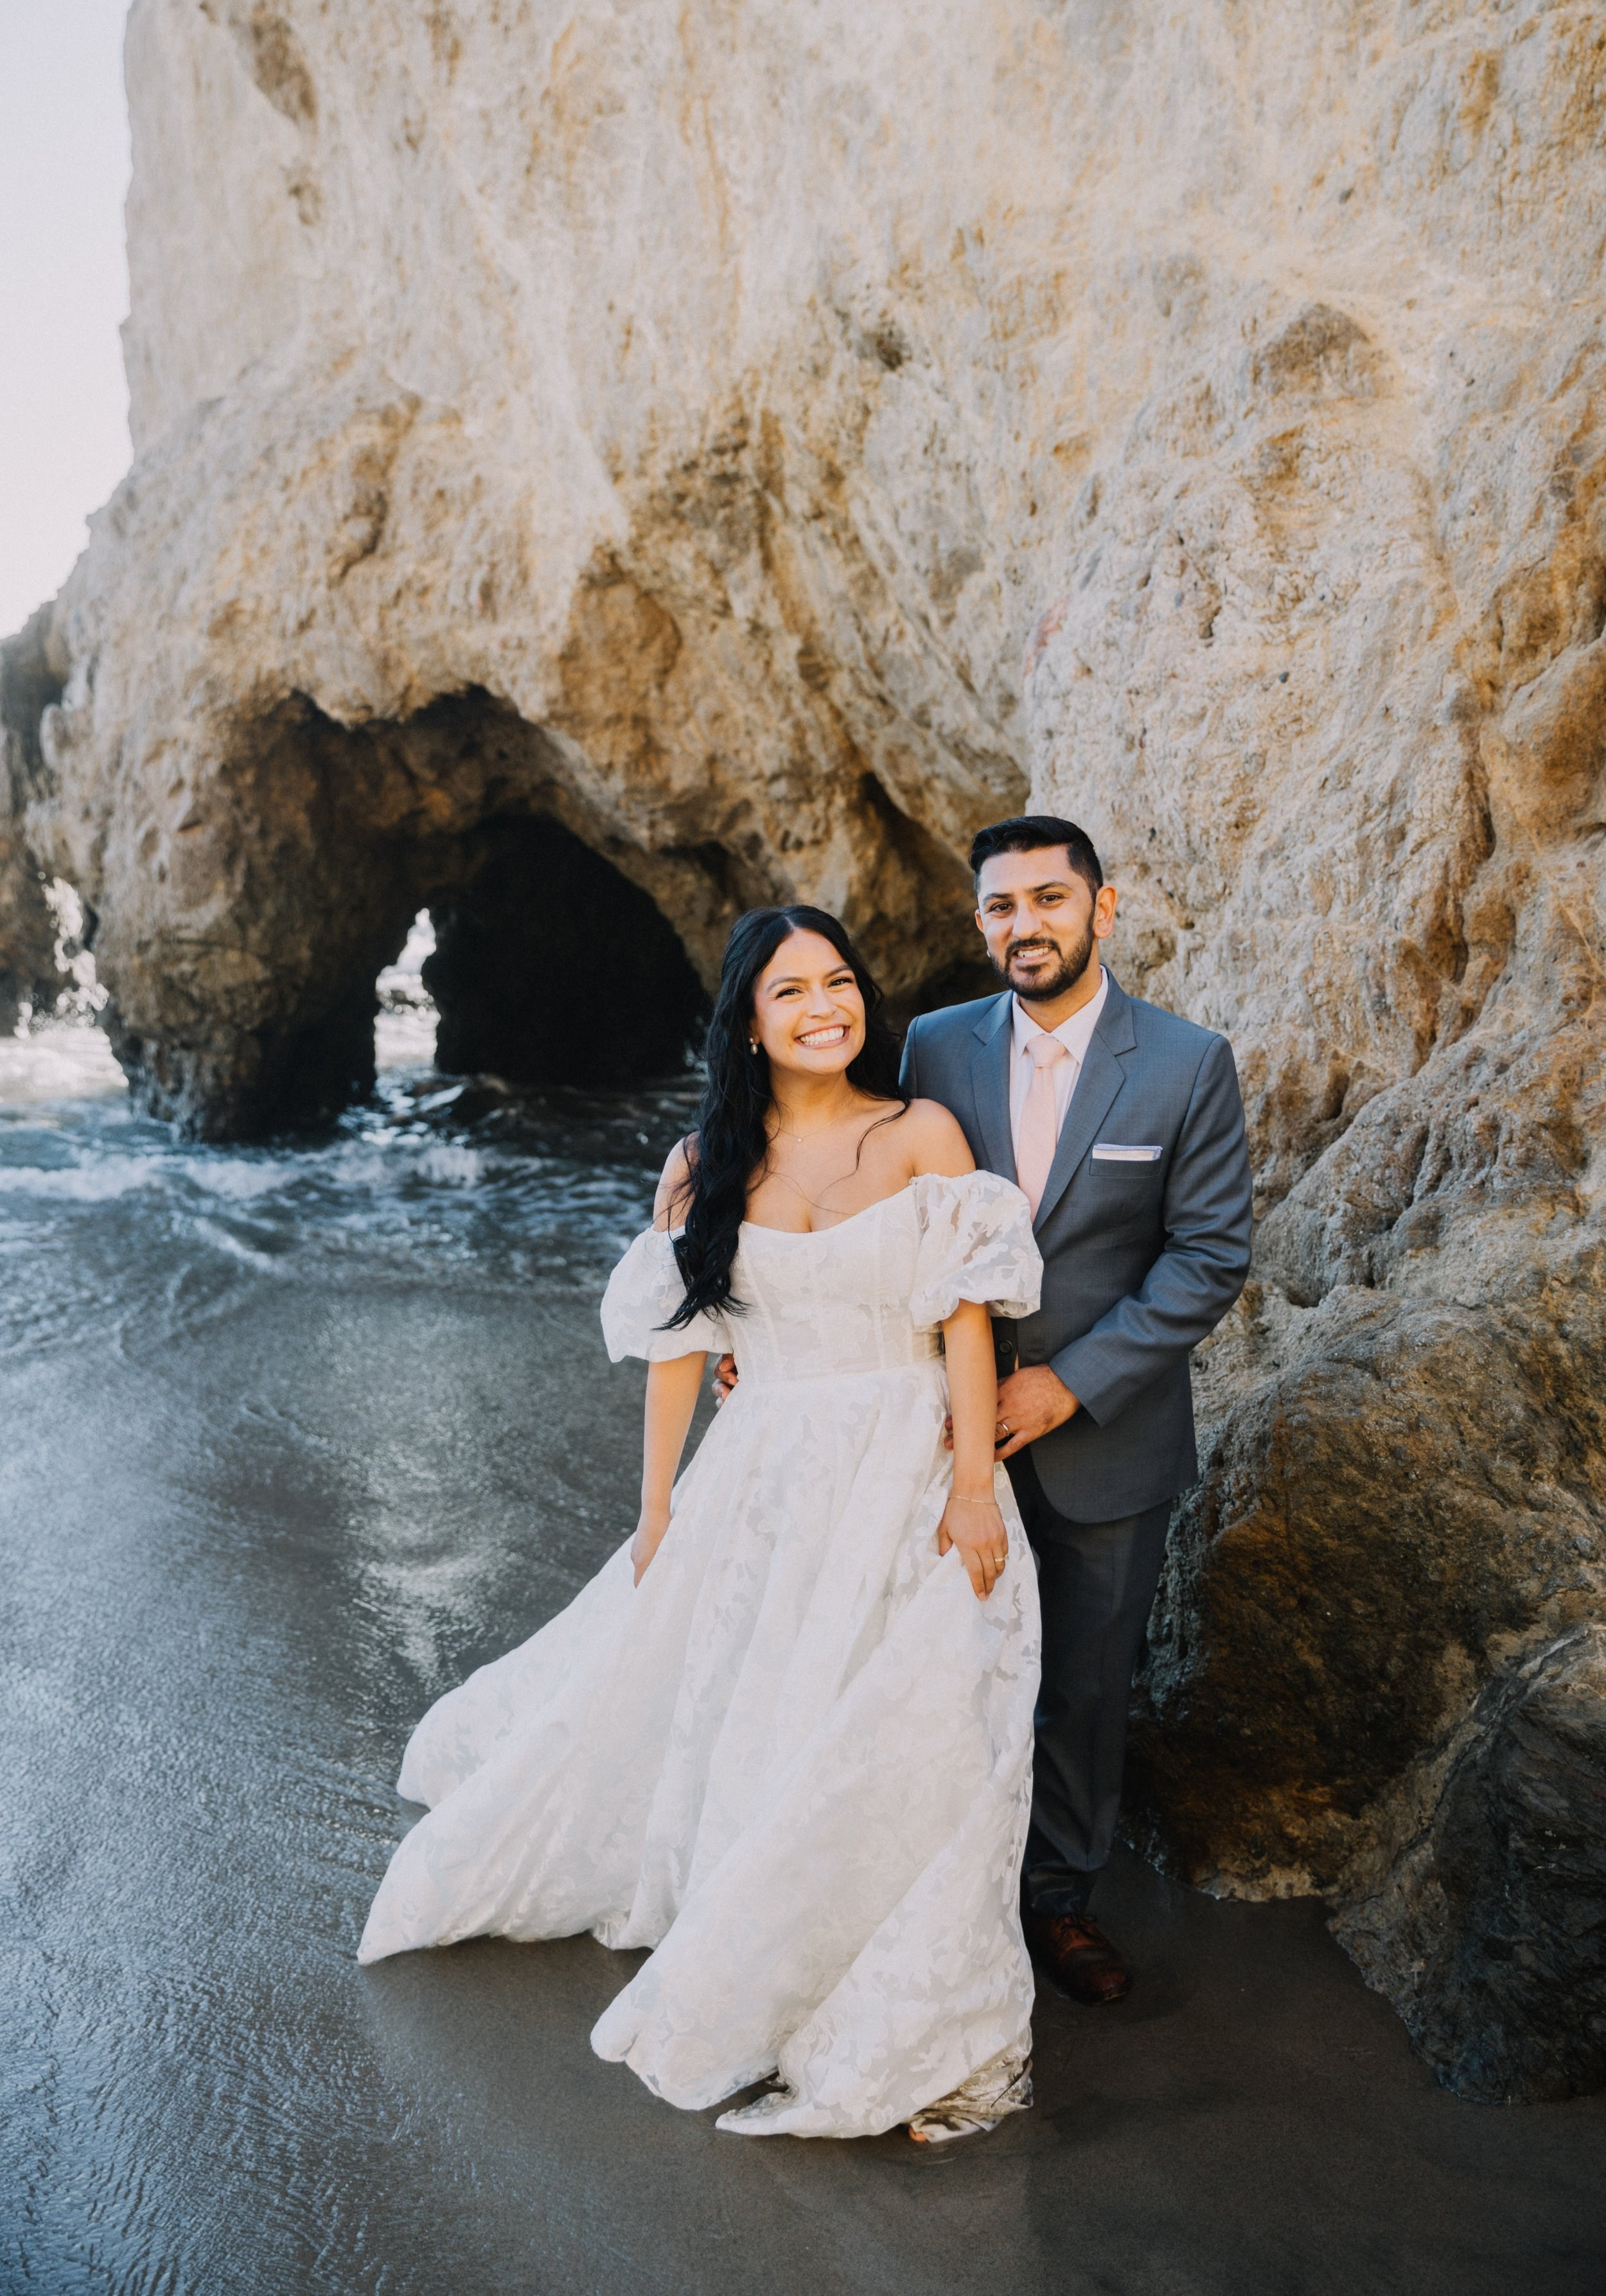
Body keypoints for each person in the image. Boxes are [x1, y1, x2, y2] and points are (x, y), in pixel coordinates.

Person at [358, 905, 1045, 2142]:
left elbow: (963, 1317)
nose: (826, 1006)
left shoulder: (919, 1134)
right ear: (749, 1020)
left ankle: (899, 1994)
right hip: (766, 1469)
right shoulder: (701, 1164)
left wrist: (973, 1484)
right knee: (760, 1697)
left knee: (918, 1717)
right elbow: (681, 1350)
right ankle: (752, 1919)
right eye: (792, 992)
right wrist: (658, 1505)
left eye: (840, 983)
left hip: (905, 1463)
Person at [899, 814, 1253, 2004]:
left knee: (1089, 1685)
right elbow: (876, 1208)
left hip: (1109, 1437)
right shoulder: (933, 1048)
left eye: (1049, 900)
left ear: (1103, 911)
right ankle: (947, 1883)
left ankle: (1057, 1903)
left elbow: (1207, 1258)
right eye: (1001, 906)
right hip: (947, 1431)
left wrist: (1068, 1381)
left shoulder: (1186, 1061)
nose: (1024, 925)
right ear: (980, 922)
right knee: (944, 1665)